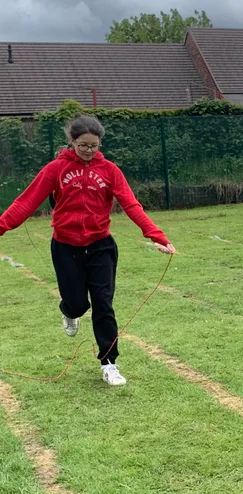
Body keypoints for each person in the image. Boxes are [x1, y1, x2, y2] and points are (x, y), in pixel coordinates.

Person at [0, 115, 176, 386]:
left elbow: (131, 204)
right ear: (72, 142)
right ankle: (69, 311)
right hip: (65, 246)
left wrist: (157, 235)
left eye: (94, 145)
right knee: (78, 304)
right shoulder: (55, 169)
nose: (89, 150)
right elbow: (26, 202)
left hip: (100, 246)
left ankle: (109, 363)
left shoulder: (110, 171)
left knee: (103, 304)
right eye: (83, 145)